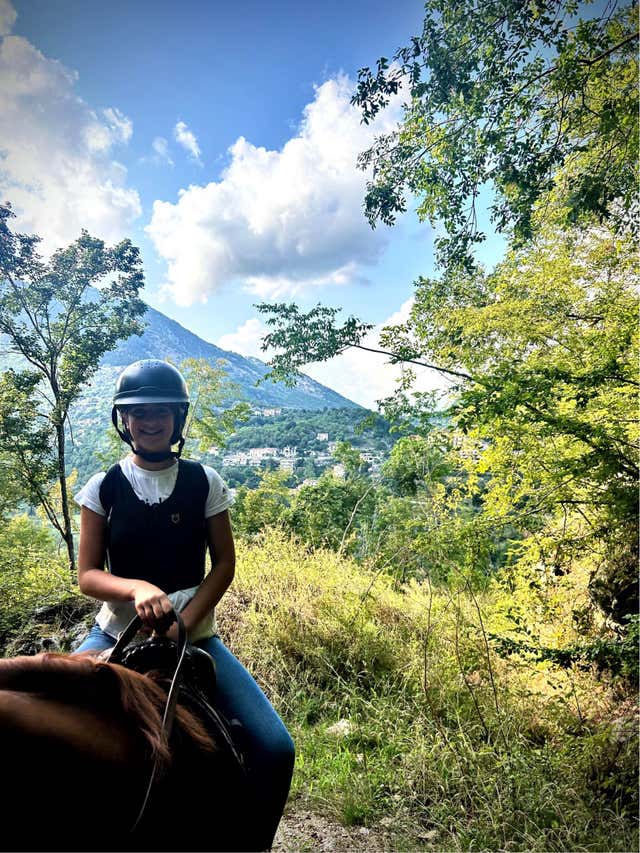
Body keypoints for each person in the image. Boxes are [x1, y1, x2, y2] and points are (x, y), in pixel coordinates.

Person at [73, 359, 294, 850]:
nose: (150, 421)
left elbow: (224, 564)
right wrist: (137, 589)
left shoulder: (204, 482)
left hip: (196, 637)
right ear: (123, 419)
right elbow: (87, 575)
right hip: (115, 632)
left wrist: (186, 623)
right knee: (56, 724)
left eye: (162, 411)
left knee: (275, 748)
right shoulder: (103, 487)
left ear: (178, 418)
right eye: (139, 412)